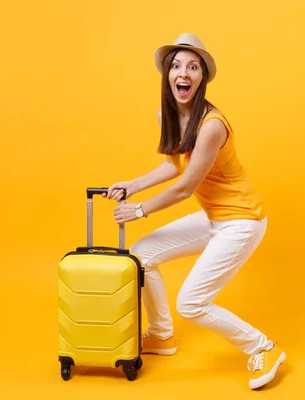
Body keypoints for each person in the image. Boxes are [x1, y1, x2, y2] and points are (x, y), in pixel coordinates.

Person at [101, 33, 285, 390]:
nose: (183, 72)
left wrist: (139, 209)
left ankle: (263, 347)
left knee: (192, 302)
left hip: (242, 220)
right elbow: (174, 166)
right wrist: (132, 184)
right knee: (140, 256)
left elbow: (185, 188)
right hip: (214, 216)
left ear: (201, 78)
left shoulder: (212, 125)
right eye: (176, 65)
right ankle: (161, 336)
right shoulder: (167, 115)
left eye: (192, 66)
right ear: (168, 75)